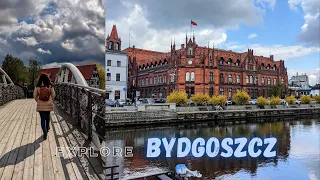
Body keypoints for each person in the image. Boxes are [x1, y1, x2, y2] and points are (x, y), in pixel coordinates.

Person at [33, 74, 55, 140]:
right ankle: (48, 126)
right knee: (47, 116)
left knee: (42, 118)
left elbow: (34, 95)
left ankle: (44, 132)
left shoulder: (37, 86)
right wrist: (51, 100)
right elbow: (53, 95)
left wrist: (38, 101)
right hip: (48, 104)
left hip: (40, 105)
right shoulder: (50, 85)